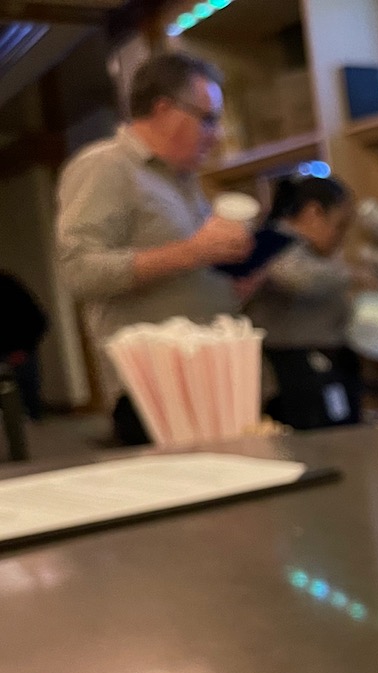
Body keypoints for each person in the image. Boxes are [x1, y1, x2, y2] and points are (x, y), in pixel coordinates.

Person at [55, 52, 253, 445]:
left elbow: (185, 270)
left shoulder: (181, 180)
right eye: (209, 118)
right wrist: (195, 251)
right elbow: (78, 271)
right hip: (153, 392)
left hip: (210, 380)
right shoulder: (105, 166)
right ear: (164, 109)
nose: (216, 135)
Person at [246, 175, 364, 429]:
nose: (340, 238)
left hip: (319, 364)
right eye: (340, 225)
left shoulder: (305, 251)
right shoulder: (273, 240)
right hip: (294, 369)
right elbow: (296, 278)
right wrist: (352, 276)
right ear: (314, 212)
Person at [0, 271, 49, 420]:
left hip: (18, 353)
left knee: (27, 405)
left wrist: (24, 349)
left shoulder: (7, 285)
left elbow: (38, 320)